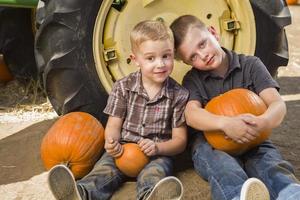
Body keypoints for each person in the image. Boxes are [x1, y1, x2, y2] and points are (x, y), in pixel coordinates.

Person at [47, 19, 189, 200]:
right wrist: (111, 142)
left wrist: (158, 148)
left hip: (157, 153)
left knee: (155, 173)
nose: (160, 64)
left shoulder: (179, 95)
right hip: (123, 149)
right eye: (150, 58)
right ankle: (80, 193)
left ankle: (151, 195)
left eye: (166, 56)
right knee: (104, 170)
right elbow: (114, 124)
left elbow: (180, 141)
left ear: (173, 54)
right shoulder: (123, 87)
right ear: (135, 60)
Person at [170, 15, 300, 200]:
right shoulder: (193, 80)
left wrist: (264, 122)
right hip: (212, 145)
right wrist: (224, 123)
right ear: (187, 63)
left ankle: (290, 193)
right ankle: (237, 196)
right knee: (223, 168)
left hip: (254, 138)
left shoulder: (250, 65)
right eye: (193, 57)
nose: (203, 55)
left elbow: (277, 104)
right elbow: (191, 114)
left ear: (214, 33)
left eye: (202, 44)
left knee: (270, 164)